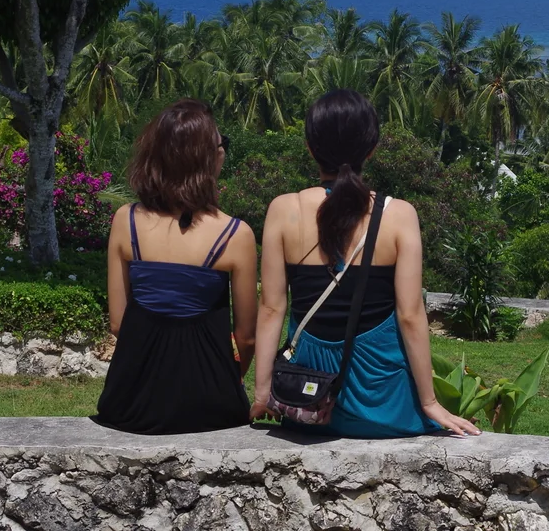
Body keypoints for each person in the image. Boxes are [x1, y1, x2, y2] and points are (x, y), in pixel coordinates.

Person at [252, 89, 480, 438]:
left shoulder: (283, 210)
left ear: (311, 148)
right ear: (371, 149)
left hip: (309, 403)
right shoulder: (399, 215)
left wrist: (264, 393)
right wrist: (430, 403)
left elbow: (271, 308)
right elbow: (410, 315)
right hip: (385, 406)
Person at [92, 99, 256, 434]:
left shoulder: (127, 221)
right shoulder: (235, 234)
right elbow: (247, 337)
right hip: (212, 403)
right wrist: (231, 376)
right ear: (211, 157)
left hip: (131, 403)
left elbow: (118, 322)